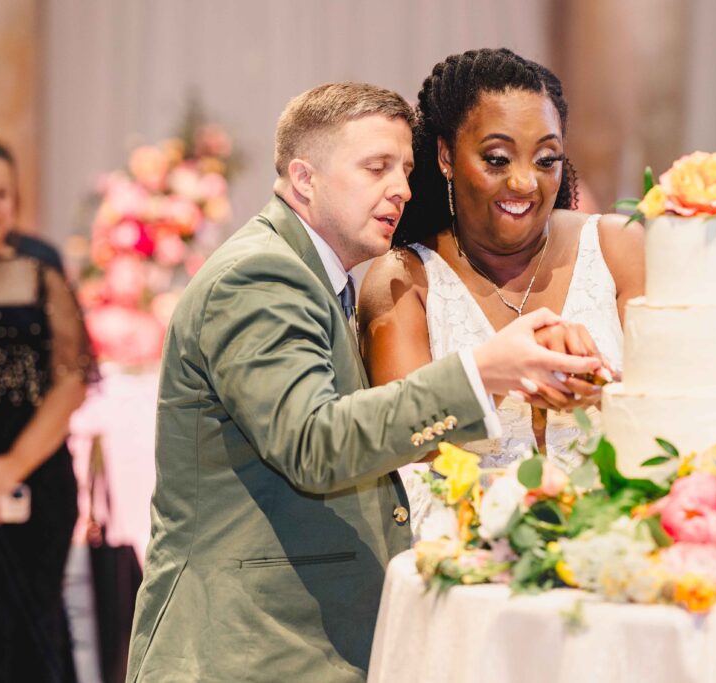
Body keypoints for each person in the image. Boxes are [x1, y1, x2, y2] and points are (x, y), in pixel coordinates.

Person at [126, 82, 600, 682]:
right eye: (376, 167)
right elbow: (315, 443)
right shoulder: (261, 276)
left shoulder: (321, 277)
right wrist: (480, 372)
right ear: (304, 179)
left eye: (404, 169)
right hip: (246, 651)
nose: (401, 189)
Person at [360, 49, 643, 489]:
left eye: (546, 159)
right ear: (446, 156)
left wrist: (600, 383)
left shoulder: (618, 246)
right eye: (497, 159)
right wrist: (498, 375)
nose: (524, 182)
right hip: (462, 544)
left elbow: (680, 401)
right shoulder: (403, 280)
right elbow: (403, 450)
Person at [0, 131, 96, 681]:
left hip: (36, 484)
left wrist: (5, 472)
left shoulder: (40, 262)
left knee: (32, 634)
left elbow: (70, 379)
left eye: (1, 193)